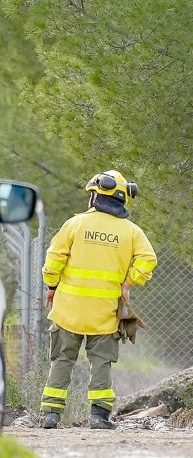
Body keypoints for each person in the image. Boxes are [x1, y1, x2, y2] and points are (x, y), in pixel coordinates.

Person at [40, 170, 157, 429]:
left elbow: (54, 258)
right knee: (101, 363)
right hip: (104, 315)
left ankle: (50, 414)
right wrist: (129, 282)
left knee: (62, 361)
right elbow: (148, 260)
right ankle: (99, 416)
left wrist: (51, 285)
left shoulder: (75, 224)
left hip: (68, 311)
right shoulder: (131, 231)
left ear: (95, 195)